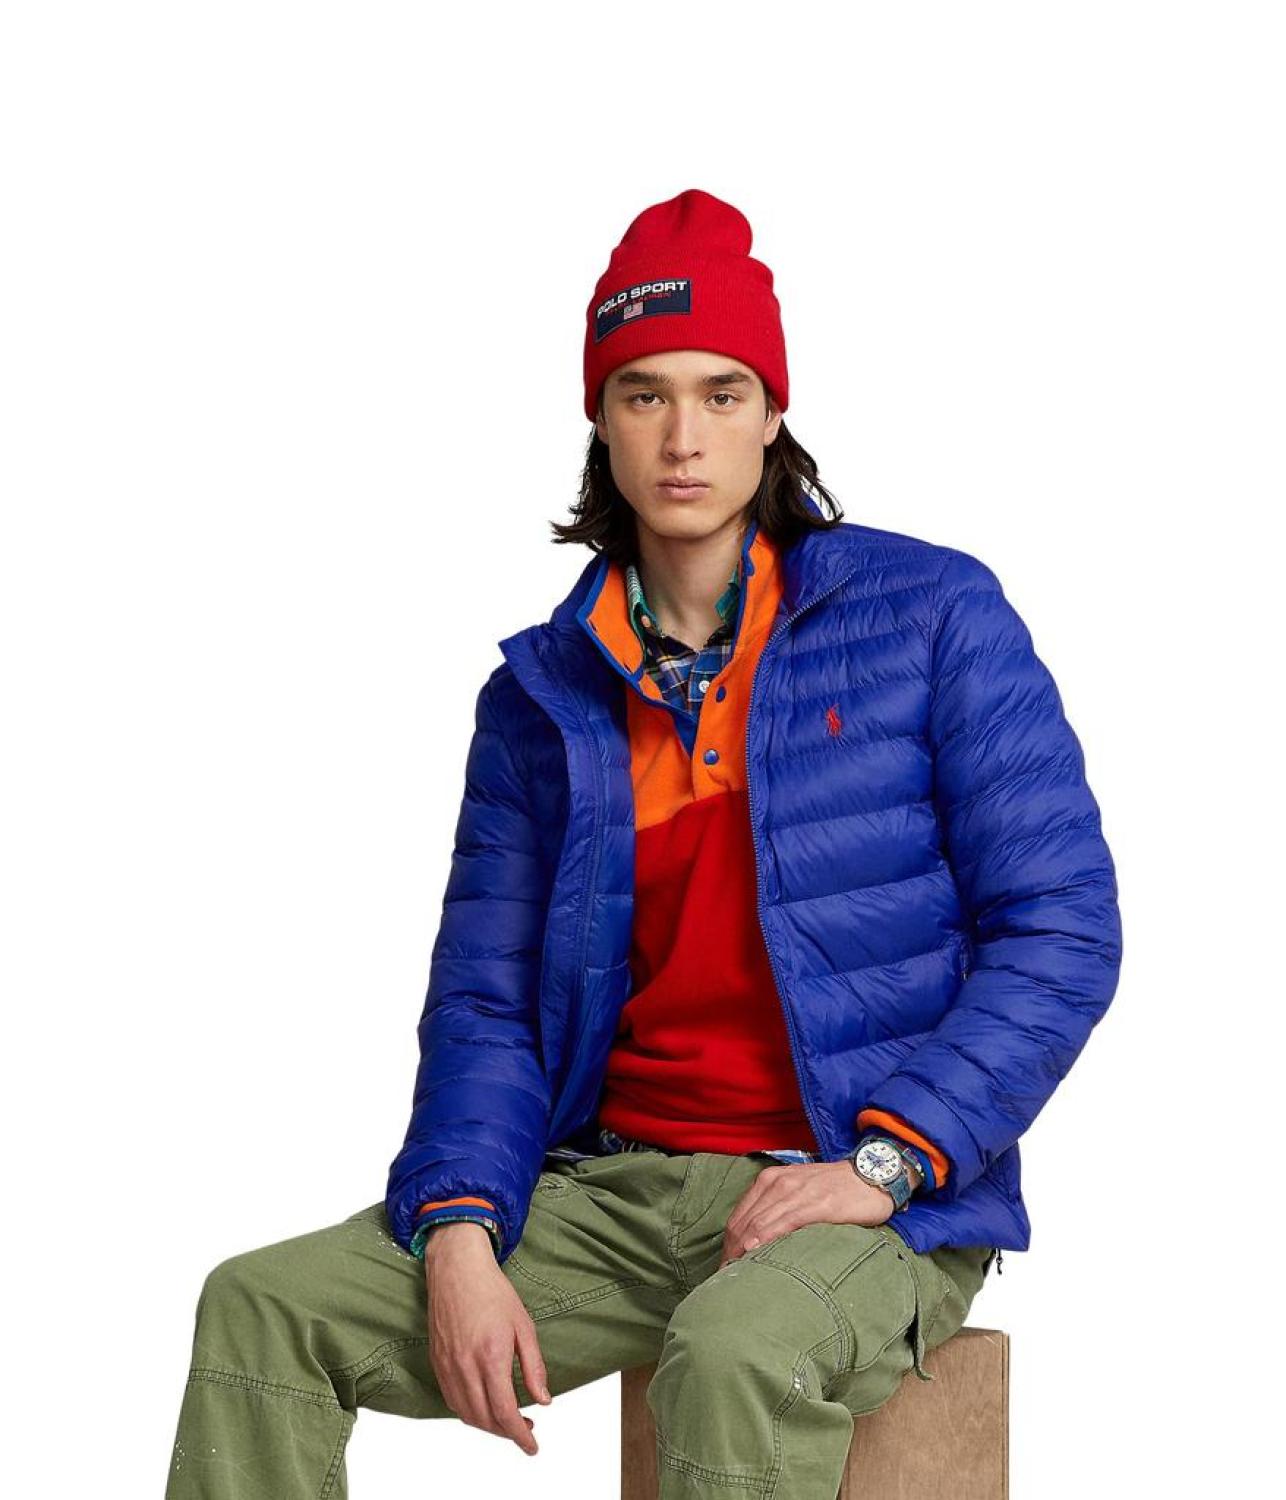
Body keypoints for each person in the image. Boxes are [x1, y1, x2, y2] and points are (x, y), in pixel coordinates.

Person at [165, 188, 1122, 1499]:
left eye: (722, 394)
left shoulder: (930, 614)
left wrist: (890, 1159)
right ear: (600, 420)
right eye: (644, 395)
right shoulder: (540, 698)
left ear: (772, 415)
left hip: (860, 1189)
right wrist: (456, 1225)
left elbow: (1061, 926)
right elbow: (488, 1002)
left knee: (733, 1350)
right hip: (611, 1192)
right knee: (264, 1310)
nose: (683, 436)